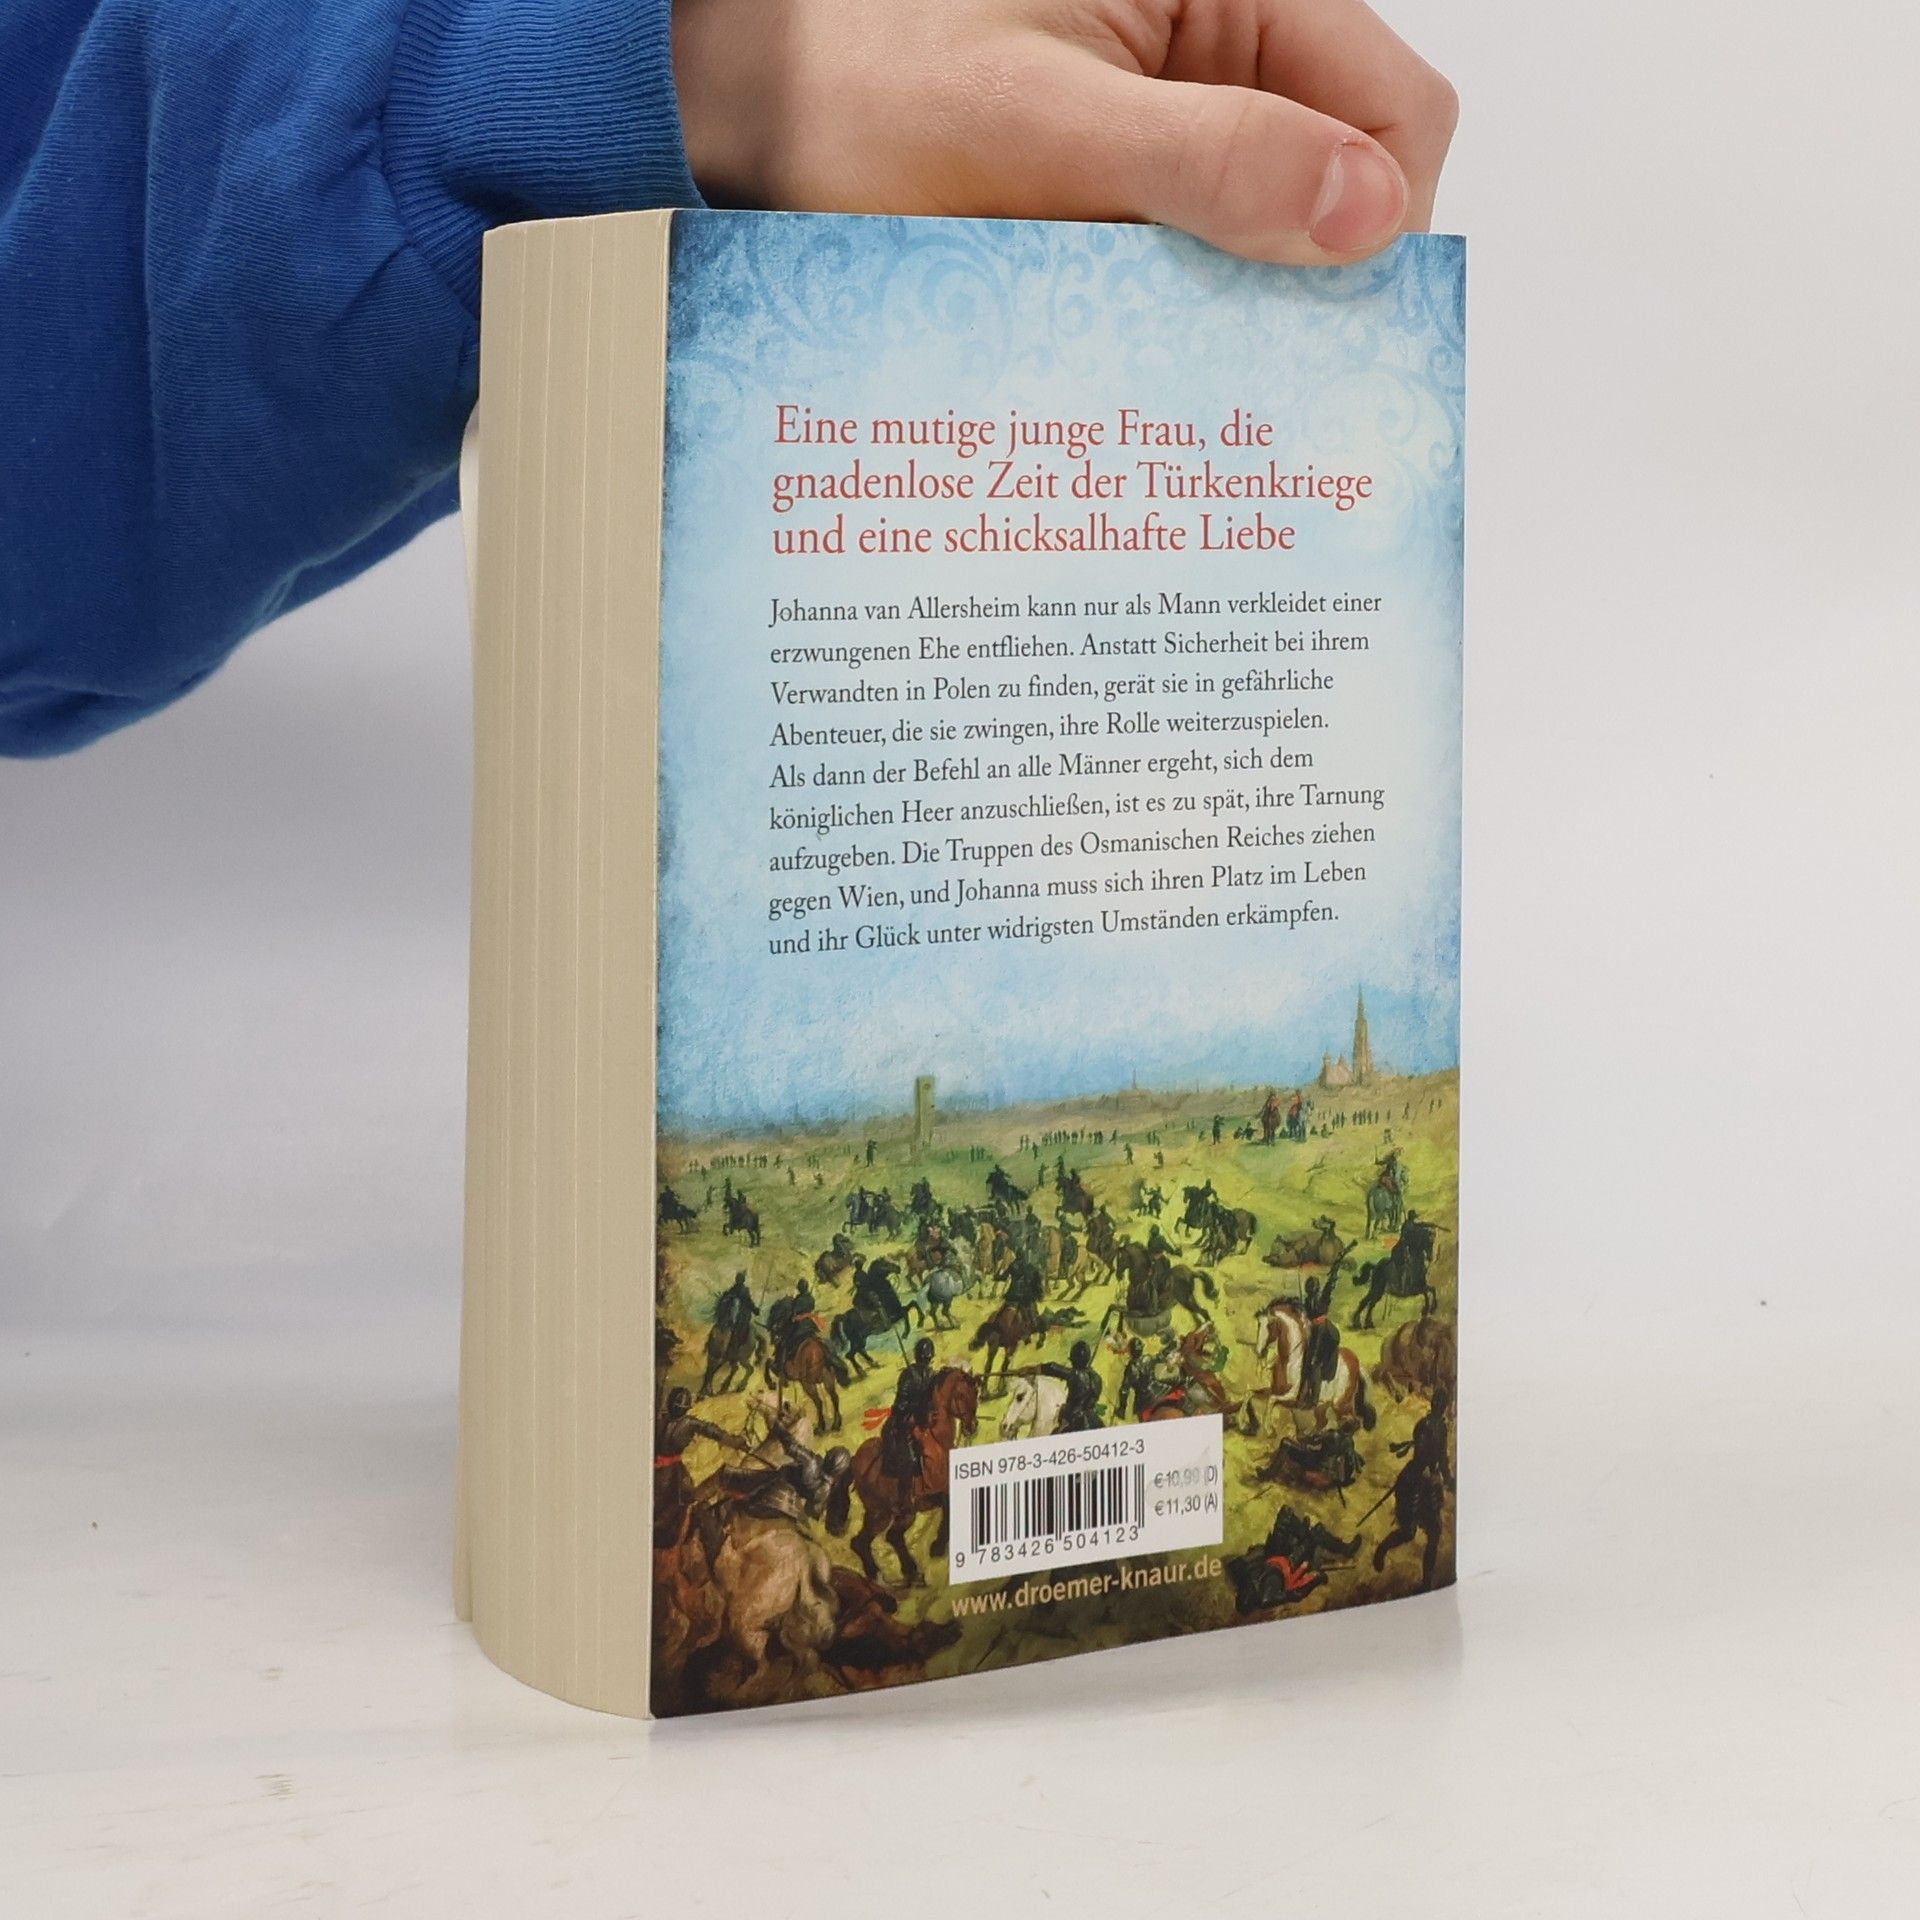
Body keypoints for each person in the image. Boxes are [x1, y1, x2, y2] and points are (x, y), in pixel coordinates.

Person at [1372, 1384, 1454, 1588]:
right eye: (1437, 1403)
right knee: (1408, 1532)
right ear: (1434, 1404)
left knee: (1434, 1531)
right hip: (1413, 1482)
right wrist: (1430, 1469)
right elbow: (1422, 1452)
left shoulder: (1441, 1428)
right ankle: (1382, 1549)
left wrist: (1448, 1478)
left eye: (1442, 1404)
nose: (1439, 1406)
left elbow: (1442, 1458)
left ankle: (1427, 1582)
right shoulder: (1424, 1426)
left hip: (1429, 1483)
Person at [878, 1338, 938, 1489]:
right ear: (930, 1356)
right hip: (924, 1416)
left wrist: (902, 1409)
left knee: (889, 1432)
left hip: (910, 1417)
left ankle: (894, 1472)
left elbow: (901, 1401)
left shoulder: (909, 1373)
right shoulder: (932, 1374)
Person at [1026, 1341, 1105, 1432]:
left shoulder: (1074, 1375)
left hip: (1074, 1422)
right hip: (1094, 1420)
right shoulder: (1098, 1378)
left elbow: (1052, 1368)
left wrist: (1028, 1370)